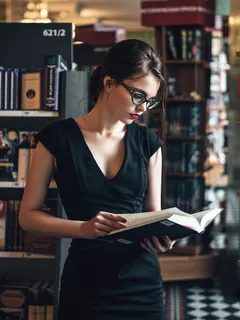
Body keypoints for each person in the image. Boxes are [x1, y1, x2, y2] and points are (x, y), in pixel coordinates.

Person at [19, 39, 176, 320]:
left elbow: (154, 214)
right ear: (109, 83)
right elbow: (27, 217)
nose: (143, 108)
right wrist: (84, 229)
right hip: (85, 284)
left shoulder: (149, 143)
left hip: (143, 285)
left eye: (150, 101)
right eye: (138, 95)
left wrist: (163, 238)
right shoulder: (56, 139)